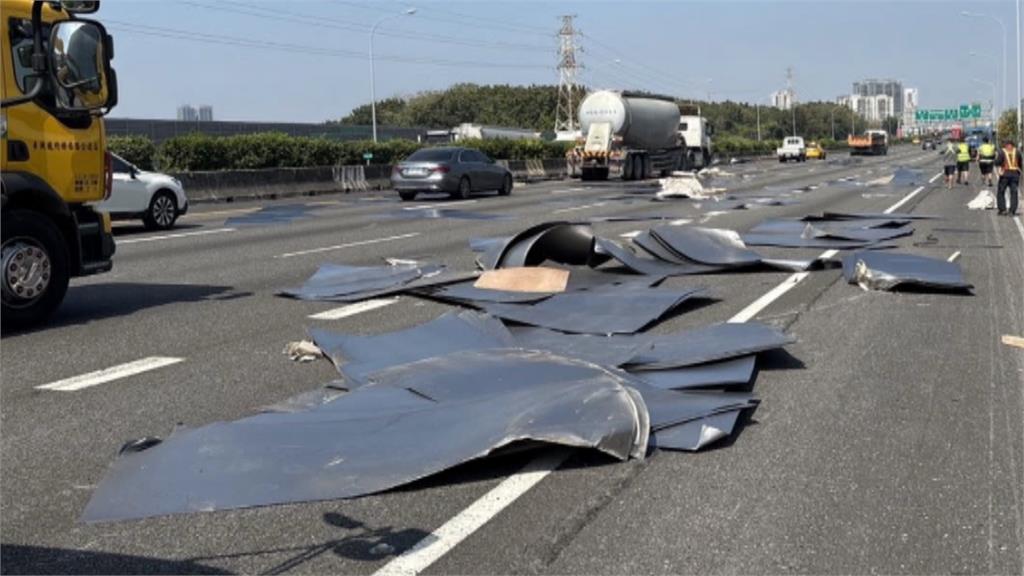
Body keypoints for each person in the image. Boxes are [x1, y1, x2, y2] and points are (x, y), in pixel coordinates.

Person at [994, 139, 1021, 216]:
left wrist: (995, 162)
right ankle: (1012, 211)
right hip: (1015, 174)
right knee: (1014, 193)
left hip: (1005, 174)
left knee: (1001, 191)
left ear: (1006, 145)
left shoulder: (1002, 152)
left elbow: (998, 162)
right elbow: (1020, 163)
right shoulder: (1017, 151)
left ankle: (1002, 209)